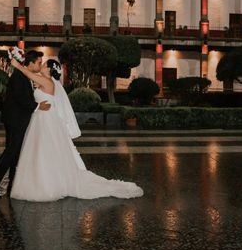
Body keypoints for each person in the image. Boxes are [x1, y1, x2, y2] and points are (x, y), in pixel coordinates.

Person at [9, 57, 143, 202]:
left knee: (44, 150)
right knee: (42, 150)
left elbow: (28, 74)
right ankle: (44, 180)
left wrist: (17, 65)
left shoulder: (47, 82)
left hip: (46, 120)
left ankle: (47, 184)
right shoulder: (43, 81)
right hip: (41, 119)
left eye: (44, 64)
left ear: (49, 69)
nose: (41, 65)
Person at [0, 50, 51, 199]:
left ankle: (12, 186)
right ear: (31, 63)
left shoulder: (24, 75)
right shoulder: (19, 76)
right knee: (10, 153)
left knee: (15, 154)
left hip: (17, 119)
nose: (40, 65)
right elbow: (21, 98)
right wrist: (38, 106)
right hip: (15, 120)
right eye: (39, 62)